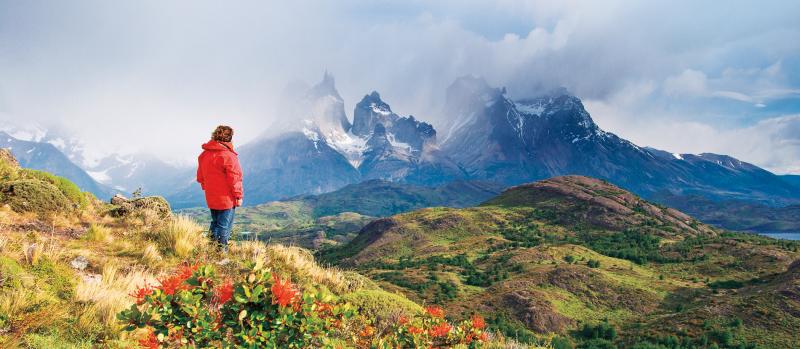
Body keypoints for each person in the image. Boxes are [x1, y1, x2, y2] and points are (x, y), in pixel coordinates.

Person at [197, 125, 243, 252]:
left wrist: (209, 189)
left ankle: (211, 248)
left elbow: (201, 177)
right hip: (226, 198)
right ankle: (222, 253)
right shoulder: (228, 156)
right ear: (229, 138)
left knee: (215, 223)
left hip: (211, 196)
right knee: (224, 226)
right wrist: (238, 196)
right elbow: (235, 178)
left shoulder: (204, 155)